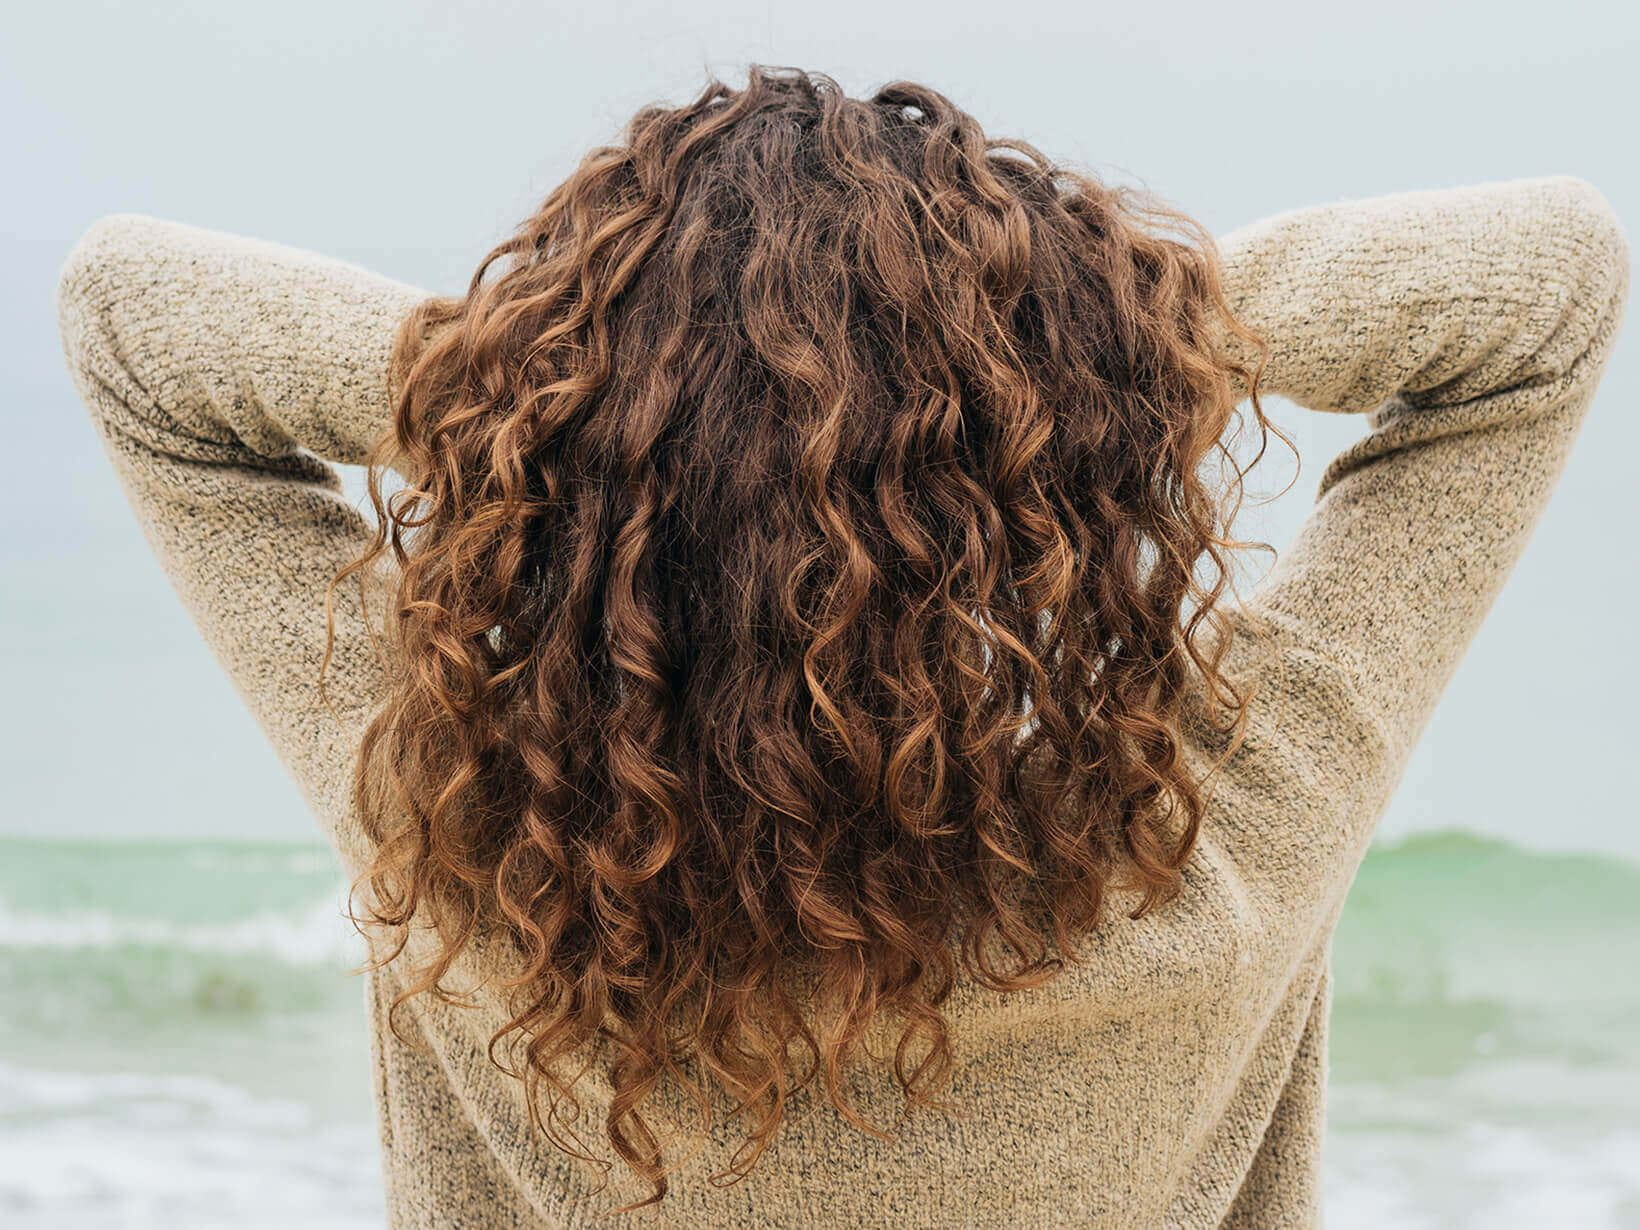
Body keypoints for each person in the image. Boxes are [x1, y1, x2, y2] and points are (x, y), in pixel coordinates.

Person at [55, 66, 1628, 1228]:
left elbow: (132, 321)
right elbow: (1551, 287)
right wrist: (1069, 351)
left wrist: (565, 383)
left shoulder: (475, 865)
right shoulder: (1211, 869)